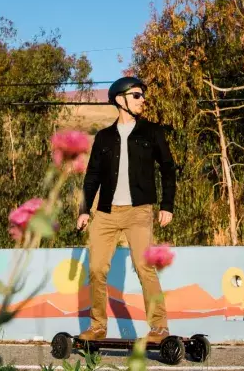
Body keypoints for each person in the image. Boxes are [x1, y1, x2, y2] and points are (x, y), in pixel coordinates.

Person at [76, 76, 177, 343]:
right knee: (96, 269)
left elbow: (168, 169)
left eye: (142, 95)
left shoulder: (152, 132)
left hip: (139, 211)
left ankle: (159, 327)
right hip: (106, 213)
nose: (142, 99)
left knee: (145, 267)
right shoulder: (104, 137)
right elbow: (92, 175)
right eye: (136, 95)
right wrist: (84, 210)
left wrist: (167, 205)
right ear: (120, 100)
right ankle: (97, 326)